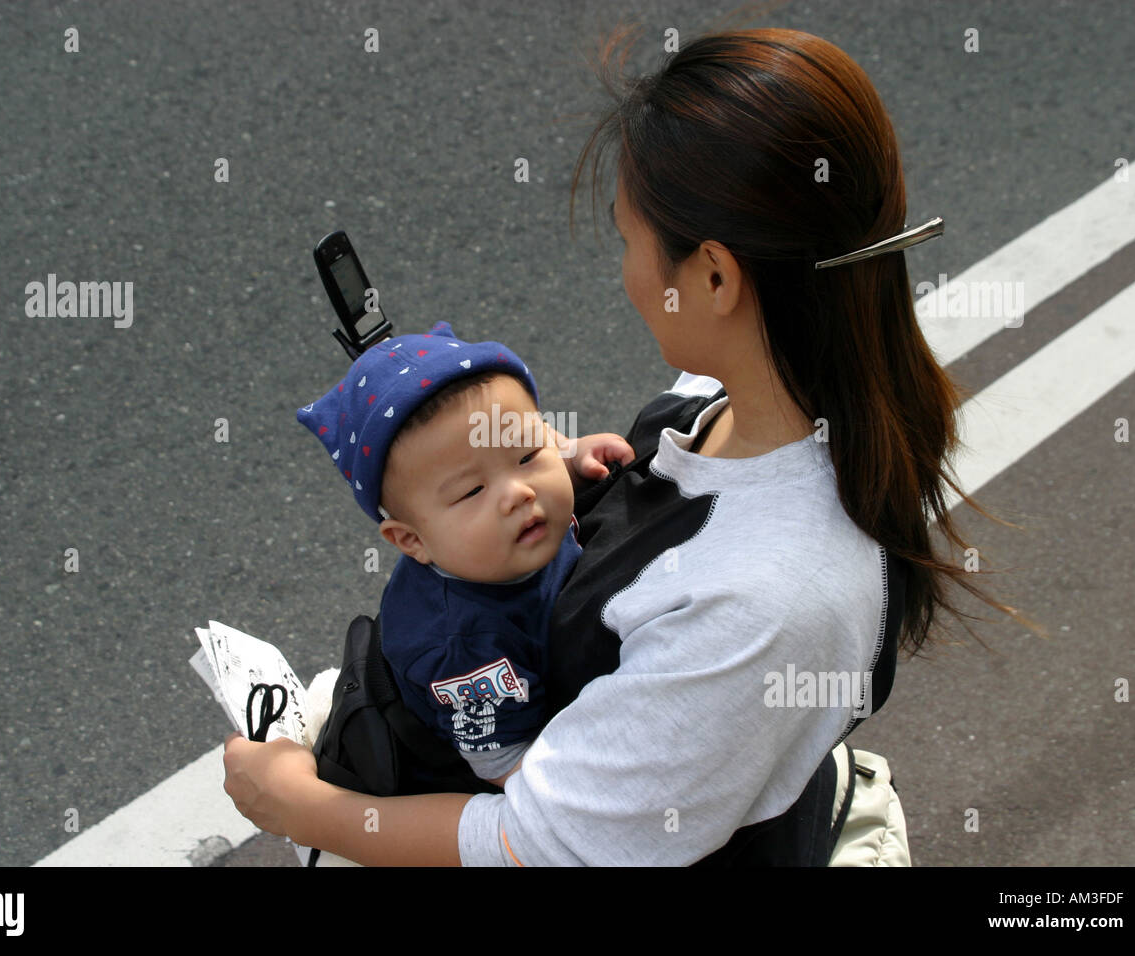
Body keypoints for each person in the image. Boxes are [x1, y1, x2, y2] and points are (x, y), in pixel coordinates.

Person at [224, 25, 1043, 866]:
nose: (626, 274)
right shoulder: (749, 401)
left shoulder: (763, 602)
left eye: (629, 241)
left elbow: (542, 841)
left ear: (715, 278)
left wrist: (300, 807)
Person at [294, 321, 633, 787]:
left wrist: (572, 458)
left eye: (528, 454)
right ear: (412, 541)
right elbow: (513, 767)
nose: (518, 493)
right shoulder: (466, 647)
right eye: (472, 490)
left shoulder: (501, 531)